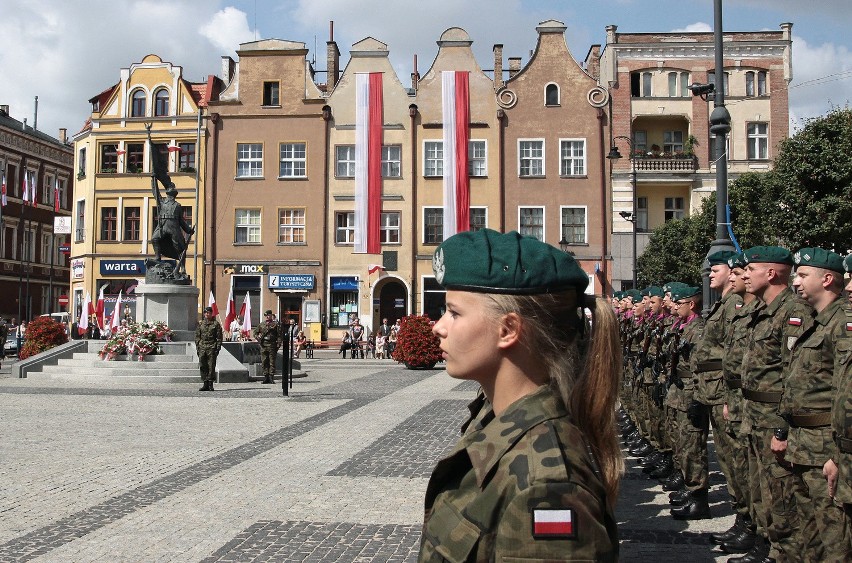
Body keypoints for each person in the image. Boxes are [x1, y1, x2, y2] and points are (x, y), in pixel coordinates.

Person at [419, 229, 621, 562]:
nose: (438, 327)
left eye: (454, 313)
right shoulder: (493, 417)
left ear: (509, 329)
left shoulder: (548, 489)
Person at [737, 246, 813, 563]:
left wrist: (784, 428)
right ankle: (768, 547)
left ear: (770, 273)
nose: (744, 275)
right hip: (755, 416)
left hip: (773, 419)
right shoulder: (763, 310)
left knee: (781, 496)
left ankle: (784, 553)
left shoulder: (793, 312)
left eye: (750, 269)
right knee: (761, 491)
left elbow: (795, 375)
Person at [775, 248, 851, 561]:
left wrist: (839, 456)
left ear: (827, 278)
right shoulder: (816, 322)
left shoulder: (842, 325)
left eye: (804, 275)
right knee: (809, 539)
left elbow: (845, 397)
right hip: (804, 445)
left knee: (835, 543)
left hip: (825, 450)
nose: (796, 280)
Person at [195, 306, 223, 392]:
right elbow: (197, 336)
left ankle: (210, 384)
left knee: (211, 366)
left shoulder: (216, 324)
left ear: (211, 314)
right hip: (202, 347)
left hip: (211, 347)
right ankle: (205, 383)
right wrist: (198, 346)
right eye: (206, 313)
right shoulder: (200, 324)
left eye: (209, 313)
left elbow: (219, 337)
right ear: (204, 314)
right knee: (203, 365)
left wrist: (217, 348)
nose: (207, 314)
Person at [253, 310, 280, 384]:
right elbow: (255, 332)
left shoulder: (275, 324)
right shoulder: (262, 324)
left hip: (272, 345)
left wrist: (278, 344)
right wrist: (257, 337)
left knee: (272, 362)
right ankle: (266, 376)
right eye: (266, 315)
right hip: (263, 345)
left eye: (269, 315)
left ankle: (271, 377)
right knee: (264, 361)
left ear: (271, 315)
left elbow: (279, 335)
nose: (267, 317)